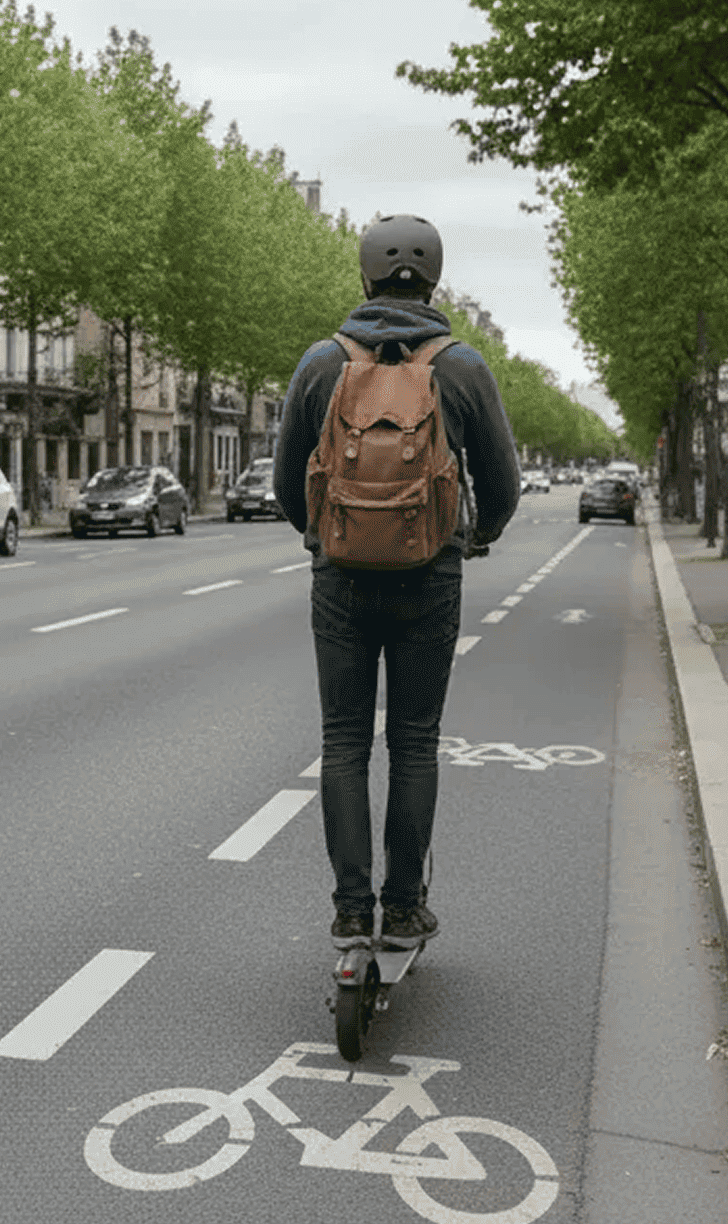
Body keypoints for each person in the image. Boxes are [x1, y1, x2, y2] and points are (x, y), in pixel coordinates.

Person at [272, 213, 522, 950]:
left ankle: (351, 910)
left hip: (340, 579)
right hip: (430, 576)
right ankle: (404, 907)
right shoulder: (463, 366)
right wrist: (476, 536)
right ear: (434, 279)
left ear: (364, 277)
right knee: (414, 742)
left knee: (344, 741)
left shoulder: (322, 362)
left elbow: (290, 482)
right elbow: (502, 483)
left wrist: (324, 538)